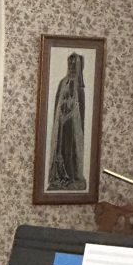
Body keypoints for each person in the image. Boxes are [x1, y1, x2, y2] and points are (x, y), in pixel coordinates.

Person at [48, 52, 86, 190]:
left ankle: (71, 175)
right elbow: (59, 103)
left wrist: (69, 114)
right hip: (61, 124)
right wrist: (60, 118)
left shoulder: (79, 86)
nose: (71, 67)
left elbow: (79, 108)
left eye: (74, 64)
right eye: (69, 64)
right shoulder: (63, 82)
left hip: (72, 124)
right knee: (61, 148)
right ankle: (60, 175)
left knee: (70, 148)